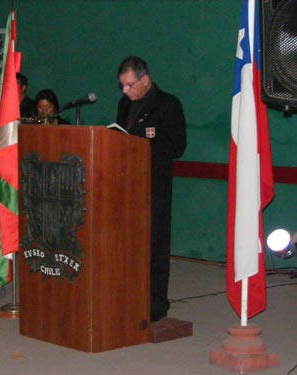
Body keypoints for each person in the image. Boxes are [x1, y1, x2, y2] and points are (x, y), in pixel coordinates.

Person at [115, 56, 187, 322]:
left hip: (155, 188)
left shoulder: (168, 104)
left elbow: (178, 146)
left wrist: (143, 144)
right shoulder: (124, 104)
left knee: (154, 246)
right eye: (122, 85)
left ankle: (155, 304)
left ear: (145, 80)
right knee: (128, 245)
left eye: (130, 85)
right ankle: (129, 297)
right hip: (127, 185)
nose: (125, 91)